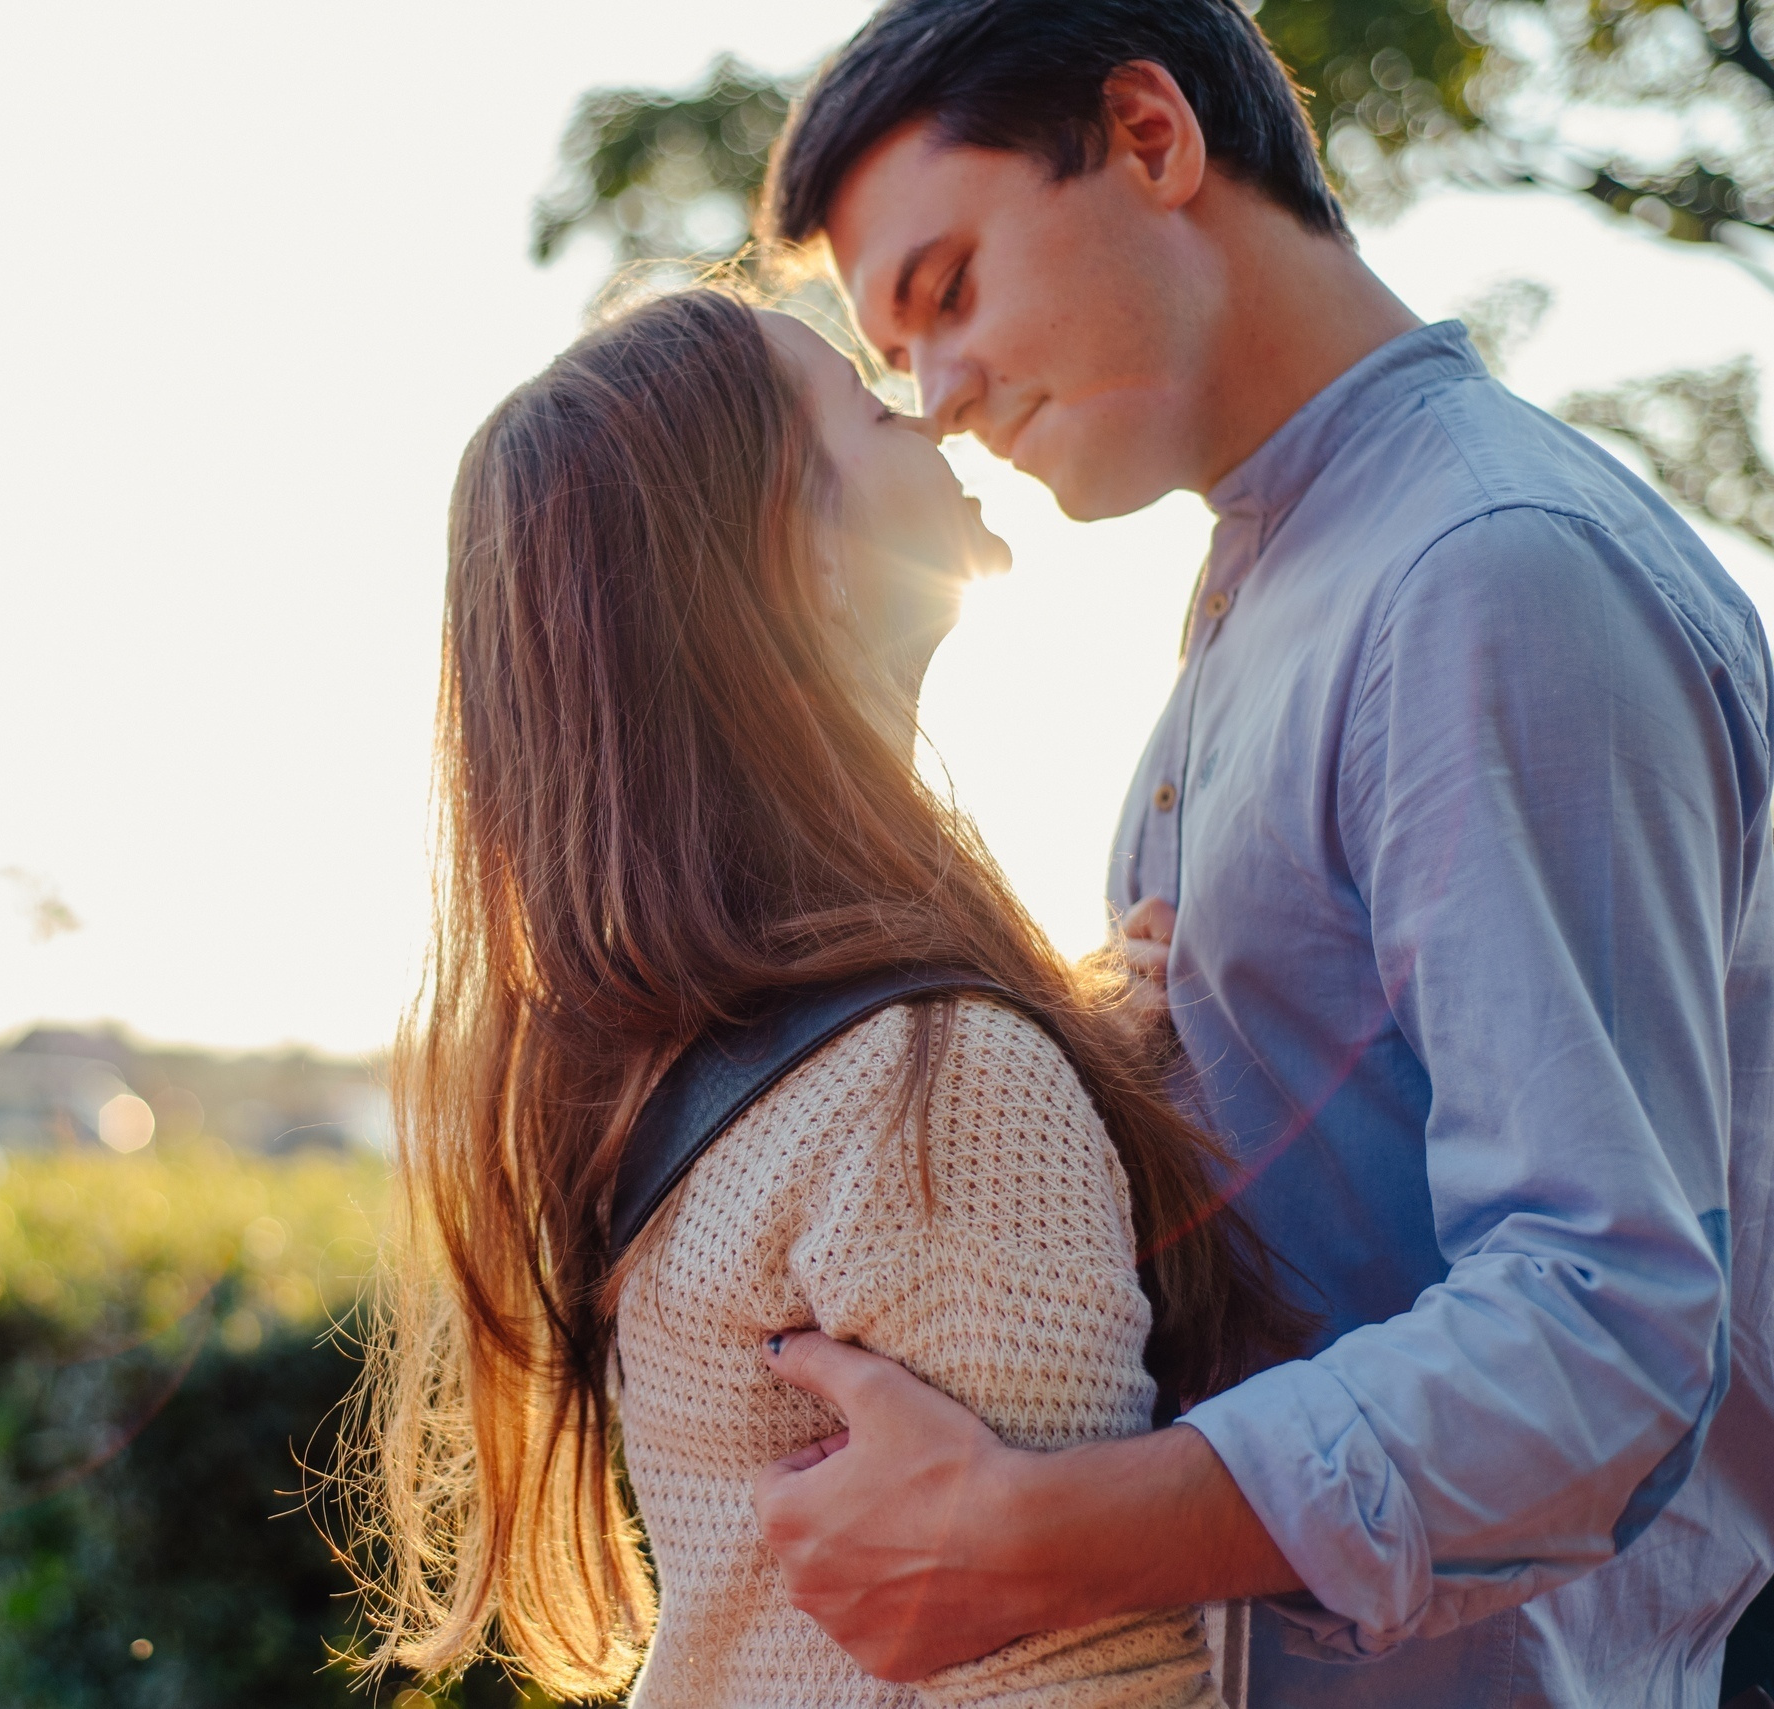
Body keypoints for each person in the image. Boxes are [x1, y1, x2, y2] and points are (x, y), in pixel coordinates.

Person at [743, 3, 1774, 1705]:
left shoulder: (1482, 570)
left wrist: (1037, 1531)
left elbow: (1602, 1330)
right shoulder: (1273, 587)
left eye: (948, 292)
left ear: (1151, 138)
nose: (933, 398)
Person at [342, 285, 1308, 1703]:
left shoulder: (679, 1053)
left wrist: (1077, 1040)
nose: (924, 408)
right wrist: (1028, 1068)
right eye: (863, 403)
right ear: (803, 564)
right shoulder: (932, 1081)